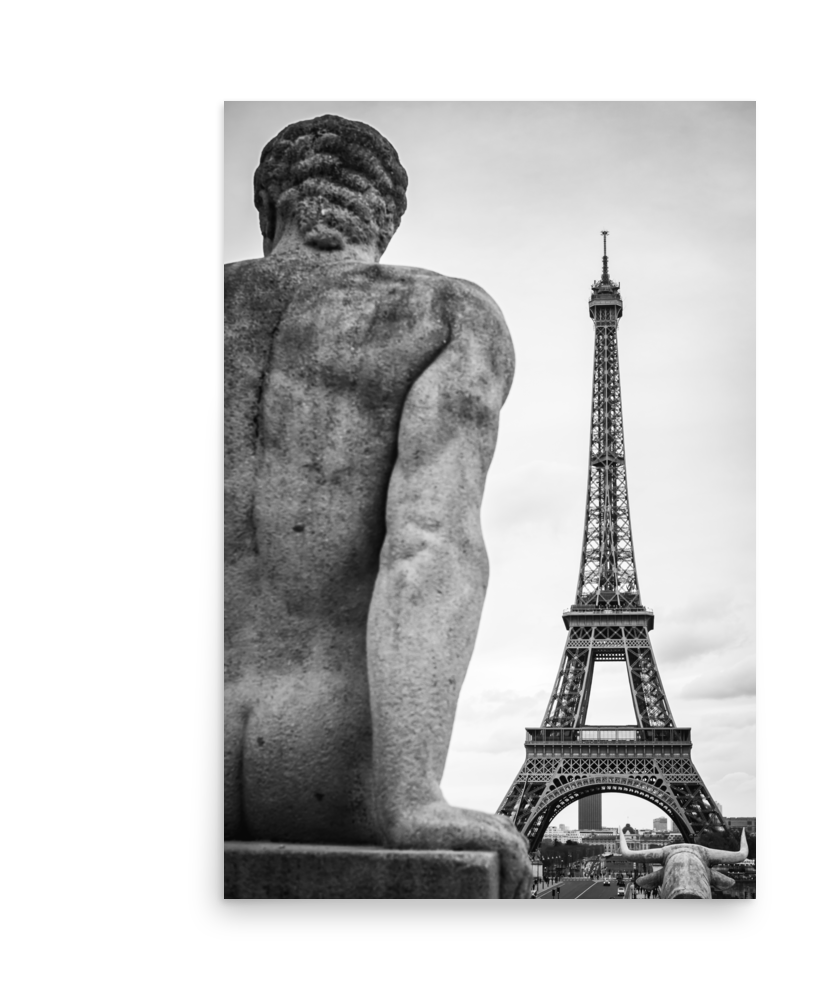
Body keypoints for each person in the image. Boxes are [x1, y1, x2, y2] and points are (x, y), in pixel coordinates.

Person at [224, 115, 529, 898]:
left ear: (272, 209)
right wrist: (411, 797)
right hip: (326, 763)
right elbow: (432, 545)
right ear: (383, 219)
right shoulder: (444, 316)